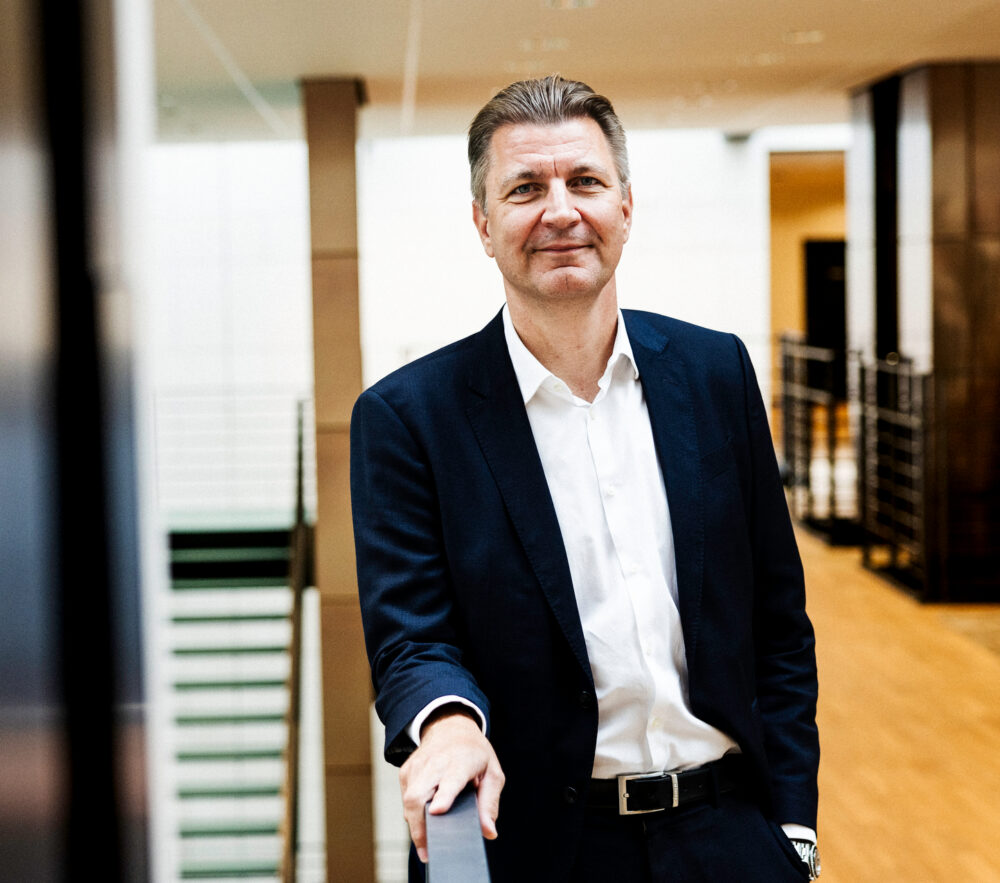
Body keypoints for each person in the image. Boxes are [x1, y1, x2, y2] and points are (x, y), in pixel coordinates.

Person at [350, 75, 820, 882]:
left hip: (731, 835)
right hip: (543, 849)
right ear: (483, 224)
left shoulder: (716, 372)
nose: (560, 211)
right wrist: (451, 723)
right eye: (526, 188)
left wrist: (793, 828)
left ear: (625, 208)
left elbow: (779, 623)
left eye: (586, 181)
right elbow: (410, 637)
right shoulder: (409, 417)